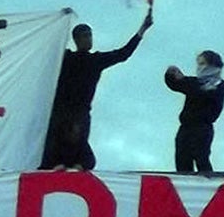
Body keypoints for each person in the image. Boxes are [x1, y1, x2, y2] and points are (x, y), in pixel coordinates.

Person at [44, 9, 153, 170]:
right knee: (54, 143)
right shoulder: (65, 57)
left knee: (79, 145)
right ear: (76, 39)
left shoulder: (96, 60)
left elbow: (123, 53)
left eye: (90, 35)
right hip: (60, 110)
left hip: (80, 112)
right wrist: (61, 20)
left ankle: (76, 168)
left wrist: (142, 30)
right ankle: (55, 166)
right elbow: (47, 47)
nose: (89, 39)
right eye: (85, 36)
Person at [165, 51, 224, 174]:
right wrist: (171, 74)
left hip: (202, 128)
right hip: (185, 128)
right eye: (199, 64)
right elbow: (175, 84)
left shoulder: (220, 84)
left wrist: (192, 86)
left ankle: (209, 187)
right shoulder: (194, 82)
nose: (199, 67)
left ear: (212, 65)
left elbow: (207, 97)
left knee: (201, 159)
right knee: (182, 161)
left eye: (202, 63)